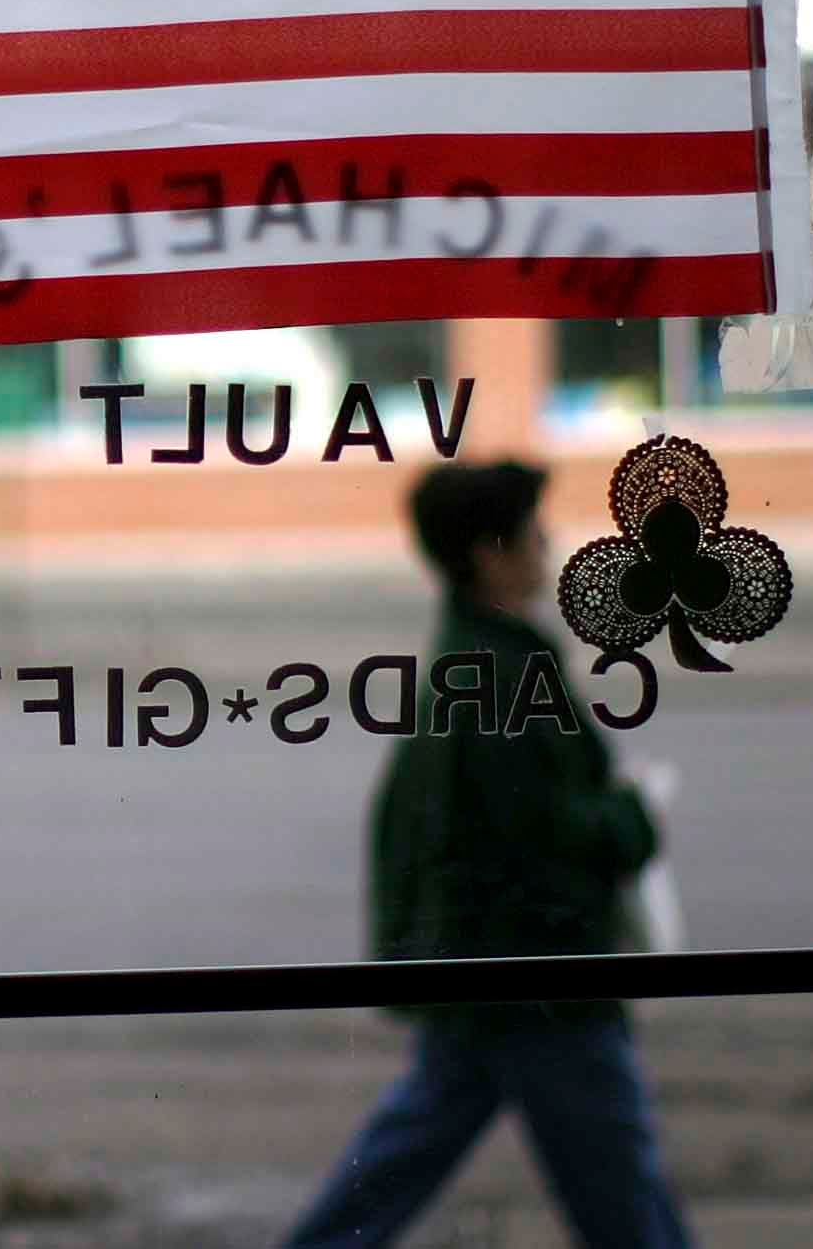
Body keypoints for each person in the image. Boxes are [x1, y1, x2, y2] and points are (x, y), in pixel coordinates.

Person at [283, 461, 690, 1249]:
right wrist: (633, 819)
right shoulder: (502, 674)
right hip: (539, 972)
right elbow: (543, 830)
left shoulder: (473, 659)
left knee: (411, 1152)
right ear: (490, 553)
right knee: (620, 1185)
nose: (547, 545)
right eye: (534, 531)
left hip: (488, 967)